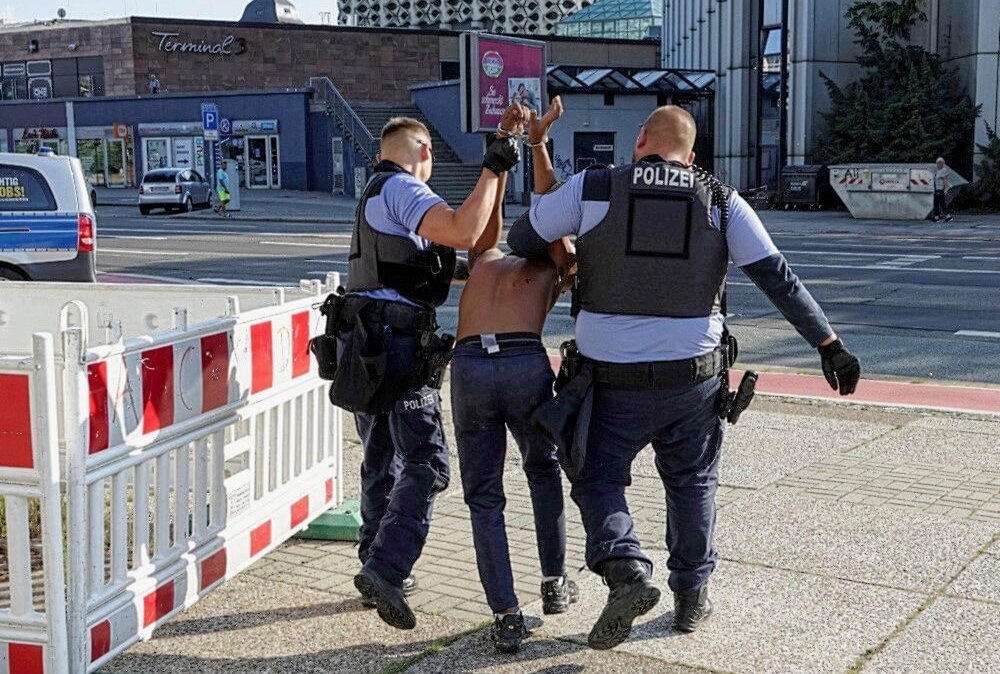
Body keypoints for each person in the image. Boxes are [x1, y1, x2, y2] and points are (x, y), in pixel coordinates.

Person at [508, 105, 861, 650]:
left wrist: (567, 237)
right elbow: (778, 278)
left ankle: (626, 570)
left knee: (598, 478)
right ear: (691, 156)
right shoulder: (721, 199)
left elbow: (523, 237)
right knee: (692, 482)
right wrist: (829, 344)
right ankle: (691, 597)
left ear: (641, 139)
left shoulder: (594, 187)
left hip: (608, 383)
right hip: (692, 382)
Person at [319, 108, 524, 631]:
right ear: (425, 150)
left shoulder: (377, 192)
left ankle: (374, 560)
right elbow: (461, 230)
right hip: (396, 345)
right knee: (428, 462)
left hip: (365, 345)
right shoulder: (404, 189)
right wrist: (491, 164)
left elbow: (477, 249)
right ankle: (387, 568)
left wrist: (497, 176)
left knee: (381, 458)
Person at [451, 96, 577, 654]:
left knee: (484, 497)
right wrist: (529, 143)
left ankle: (506, 615)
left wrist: (513, 146)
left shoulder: (484, 262)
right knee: (542, 471)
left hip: (471, 365)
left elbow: (495, 214)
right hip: (525, 364)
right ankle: (553, 582)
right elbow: (538, 208)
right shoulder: (552, 263)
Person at [933, 157, 952, 222]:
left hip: (940, 189)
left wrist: (946, 189)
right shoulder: (938, 171)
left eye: (940, 163)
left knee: (942, 203)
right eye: (937, 163)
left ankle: (948, 216)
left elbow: (945, 180)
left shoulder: (944, 170)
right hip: (936, 189)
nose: (938, 164)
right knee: (936, 203)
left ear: (943, 163)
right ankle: (936, 217)